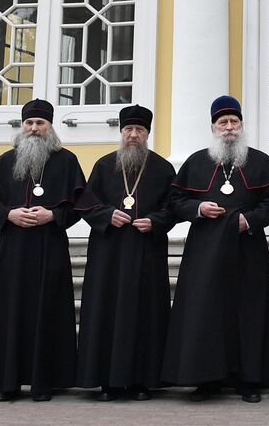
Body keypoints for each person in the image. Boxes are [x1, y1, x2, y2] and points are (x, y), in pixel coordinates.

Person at [162, 95, 269, 402]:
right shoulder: (196, 162)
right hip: (205, 250)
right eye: (223, 122)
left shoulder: (259, 161)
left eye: (234, 121)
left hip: (248, 248)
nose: (229, 127)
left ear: (241, 125)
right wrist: (199, 208)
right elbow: (176, 201)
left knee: (249, 311)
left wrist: (250, 220)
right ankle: (207, 379)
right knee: (205, 311)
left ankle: (249, 380)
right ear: (213, 127)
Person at [0, 98, 86, 402]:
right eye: (29, 123)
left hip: (50, 247)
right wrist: (8, 214)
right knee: (8, 311)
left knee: (48, 311)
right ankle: (5, 382)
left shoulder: (67, 161)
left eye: (40, 123)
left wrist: (54, 215)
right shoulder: (5, 161)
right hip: (12, 248)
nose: (34, 128)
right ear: (22, 127)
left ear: (50, 126)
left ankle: (44, 382)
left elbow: (80, 205)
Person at [75, 104, 177, 401]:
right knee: (106, 311)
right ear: (121, 132)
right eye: (129, 129)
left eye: (139, 130)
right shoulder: (104, 165)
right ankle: (107, 382)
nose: (133, 134)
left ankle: (141, 381)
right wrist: (107, 214)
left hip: (147, 252)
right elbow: (86, 203)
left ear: (147, 133)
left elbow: (174, 206)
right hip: (109, 253)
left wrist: (156, 221)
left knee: (145, 314)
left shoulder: (162, 168)